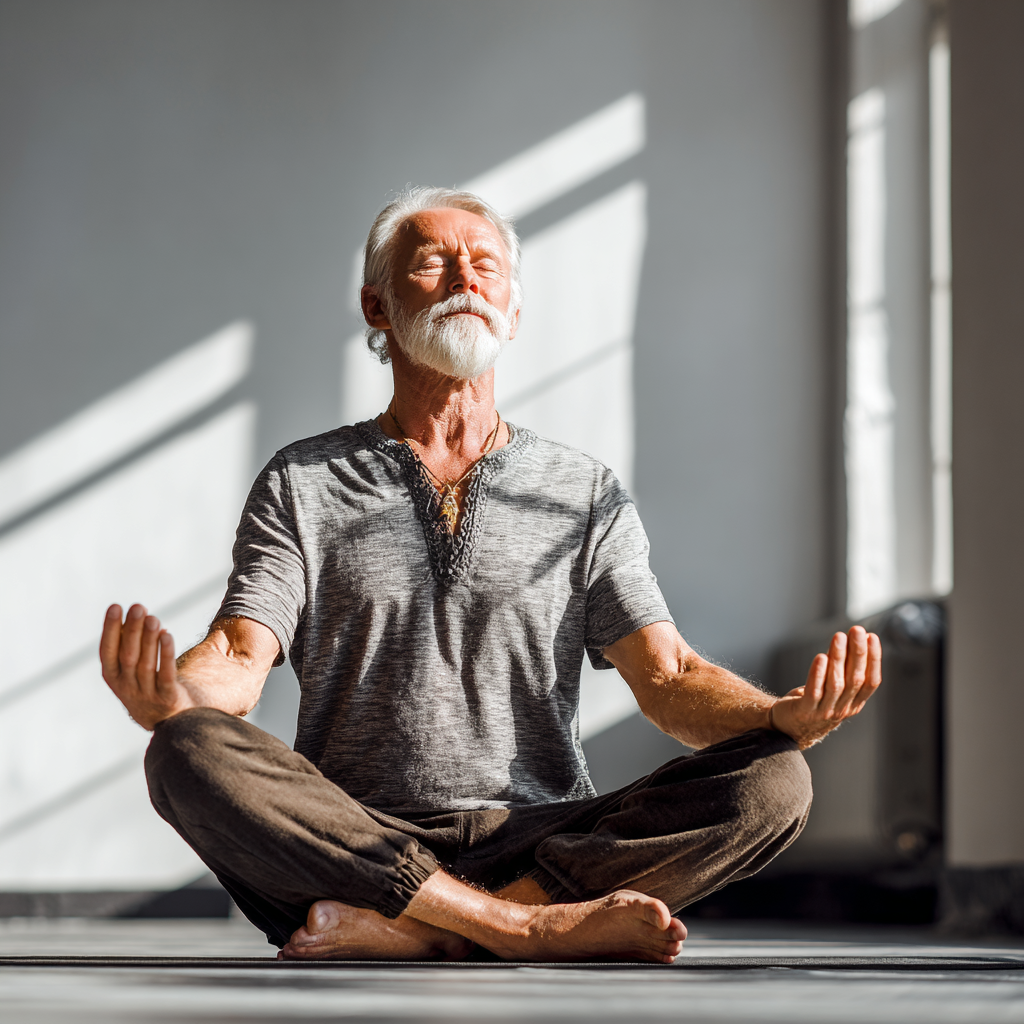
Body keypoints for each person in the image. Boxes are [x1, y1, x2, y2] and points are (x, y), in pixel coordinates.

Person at [100, 187, 881, 963]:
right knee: (184, 751)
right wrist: (175, 696)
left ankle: (427, 931)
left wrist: (777, 716)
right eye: (433, 263)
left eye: (486, 266)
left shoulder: (581, 491)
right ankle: (521, 930)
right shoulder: (302, 481)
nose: (465, 280)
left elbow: (669, 677)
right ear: (376, 307)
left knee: (776, 782)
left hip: (542, 841)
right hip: (357, 843)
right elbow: (239, 654)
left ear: (512, 311)